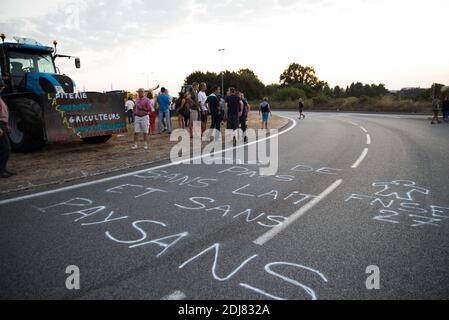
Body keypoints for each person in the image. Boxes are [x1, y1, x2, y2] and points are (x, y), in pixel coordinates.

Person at [0, 80, 16, 178]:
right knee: (5, 148)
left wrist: (6, 126)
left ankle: (3, 169)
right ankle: (1, 171)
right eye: (1, 86)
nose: (3, 88)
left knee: (4, 148)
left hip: (2, 125)